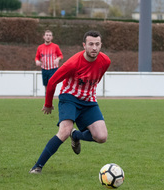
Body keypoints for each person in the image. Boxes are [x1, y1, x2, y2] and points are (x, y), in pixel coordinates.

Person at [29, 31, 111, 174]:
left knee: (102, 137)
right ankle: (37, 166)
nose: (94, 48)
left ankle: (77, 135)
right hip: (70, 98)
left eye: (97, 44)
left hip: (89, 101)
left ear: (101, 45)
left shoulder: (105, 61)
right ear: (84, 45)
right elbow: (52, 81)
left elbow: (96, 79)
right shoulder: (73, 63)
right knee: (64, 131)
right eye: (91, 44)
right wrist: (48, 104)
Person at [35, 30, 63, 94]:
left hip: (53, 69)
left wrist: (57, 59)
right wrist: (37, 61)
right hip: (44, 69)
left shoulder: (55, 46)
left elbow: (61, 55)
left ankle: (50, 98)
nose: (48, 37)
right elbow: (37, 57)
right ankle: (47, 99)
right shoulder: (40, 47)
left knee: (51, 84)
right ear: (44, 37)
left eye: (50, 35)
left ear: (52, 37)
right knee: (46, 85)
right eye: (47, 35)